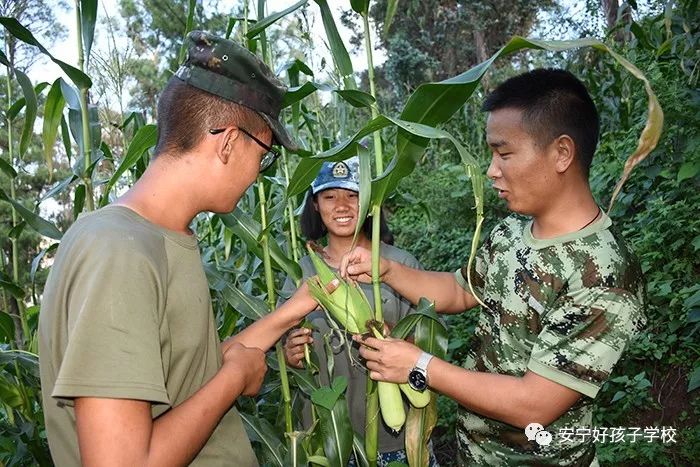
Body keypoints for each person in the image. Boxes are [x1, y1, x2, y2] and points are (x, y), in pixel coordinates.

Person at [38, 31, 333, 467]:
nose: (259, 171)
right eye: (264, 155)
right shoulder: (120, 254)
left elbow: (190, 376)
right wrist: (234, 379)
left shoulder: (156, 239)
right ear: (229, 142)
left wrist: (299, 304)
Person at [340, 69, 646, 466]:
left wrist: (418, 365)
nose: (491, 170)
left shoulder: (605, 274)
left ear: (562, 153)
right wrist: (387, 271)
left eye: (504, 153)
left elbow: (534, 405)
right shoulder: (511, 231)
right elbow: (460, 290)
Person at [281, 157, 438, 466]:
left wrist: (399, 343)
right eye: (330, 196)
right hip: (330, 439)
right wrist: (289, 356)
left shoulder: (400, 265)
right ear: (315, 204)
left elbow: (430, 343)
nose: (342, 206)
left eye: (352, 195)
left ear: (368, 203)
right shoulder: (300, 274)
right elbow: (284, 349)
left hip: (397, 437)